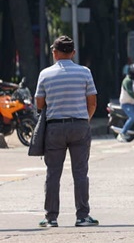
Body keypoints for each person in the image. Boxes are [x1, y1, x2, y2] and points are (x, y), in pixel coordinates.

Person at [34, 36, 99, 227]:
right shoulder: (84, 72)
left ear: (54, 53)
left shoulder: (45, 74)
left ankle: (51, 217)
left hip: (55, 127)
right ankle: (82, 216)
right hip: (79, 125)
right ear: (73, 53)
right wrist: (84, 119)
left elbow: (39, 103)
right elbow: (92, 103)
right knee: (80, 172)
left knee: (53, 173)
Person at [117, 63, 134, 142]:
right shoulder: (127, 81)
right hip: (127, 103)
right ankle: (122, 133)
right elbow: (131, 93)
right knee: (132, 118)